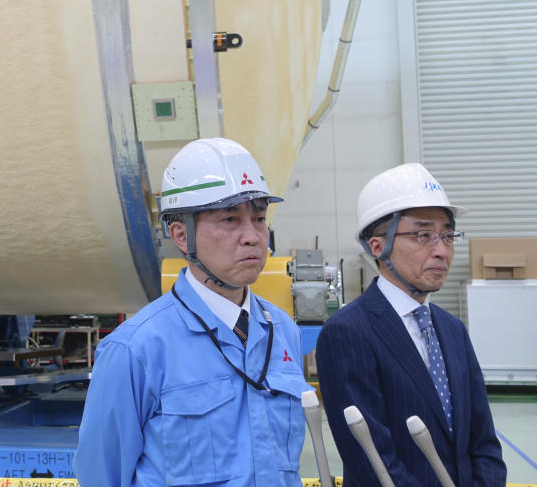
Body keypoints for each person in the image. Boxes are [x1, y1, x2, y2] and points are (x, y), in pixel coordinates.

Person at [73, 138, 310, 486]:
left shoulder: (283, 331)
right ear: (182, 236)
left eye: (259, 218)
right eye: (230, 219)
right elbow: (101, 477)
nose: (253, 236)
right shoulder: (135, 350)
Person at [315, 163, 506, 486]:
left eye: (447, 235)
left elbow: (483, 442)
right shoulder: (348, 333)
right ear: (377, 246)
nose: (442, 251)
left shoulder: (452, 330)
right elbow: (371, 461)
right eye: (423, 235)